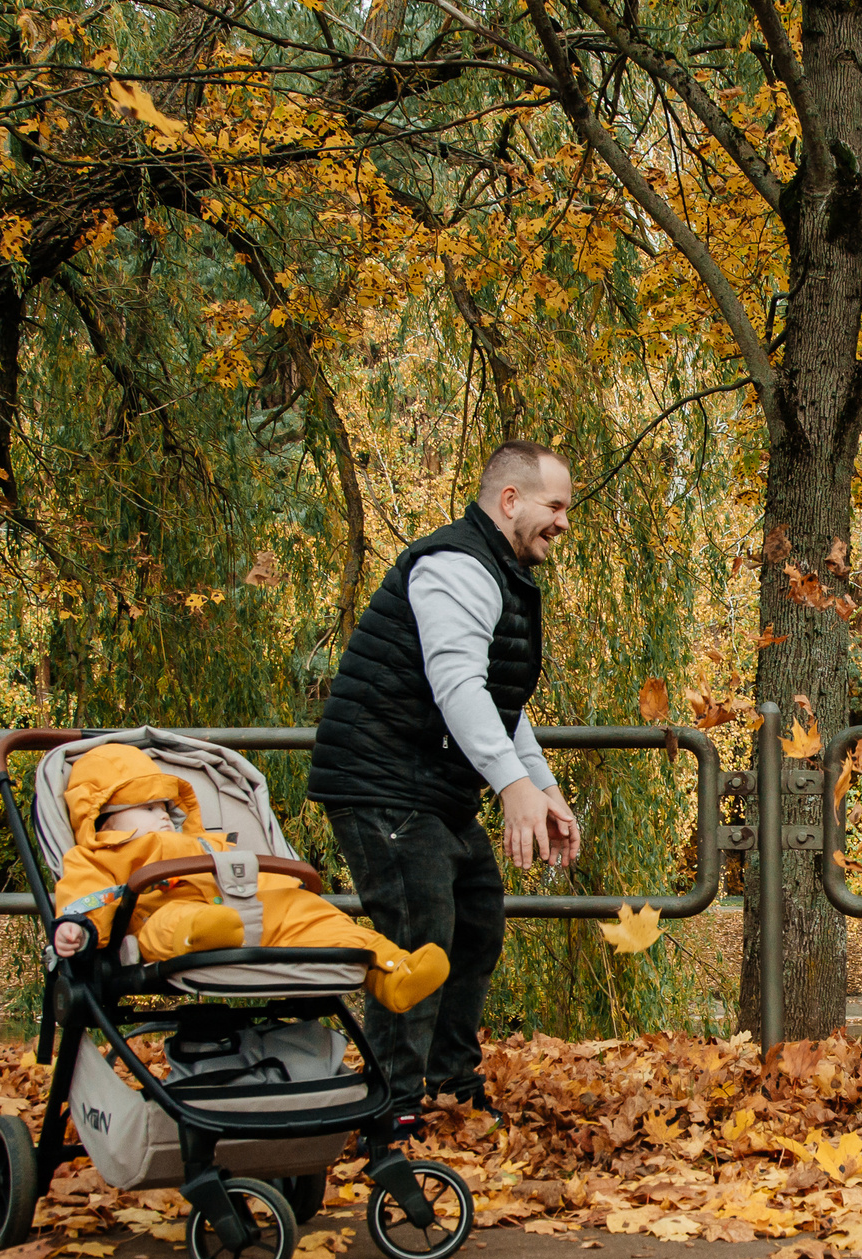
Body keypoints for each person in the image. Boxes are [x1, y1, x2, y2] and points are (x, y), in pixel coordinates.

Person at [307, 440, 583, 1118]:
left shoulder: (497, 569)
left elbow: (496, 701)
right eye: (554, 506)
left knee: (477, 921)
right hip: (383, 781)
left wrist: (542, 788)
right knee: (418, 938)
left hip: (431, 787)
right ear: (510, 500)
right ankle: (392, 1110)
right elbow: (457, 685)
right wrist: (511, 788)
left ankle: (448, 1087)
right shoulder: (456, 566)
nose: (563, 522)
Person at [49, 743, 451, 1010]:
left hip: (242, 908)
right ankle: (206, 933)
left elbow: (253, 874)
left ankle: (392, 970)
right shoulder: (96, 856)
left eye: (166, 807)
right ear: (103, 819)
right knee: (172, 923)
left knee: (310, 912)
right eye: (147, 808)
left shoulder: (204, 842)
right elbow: (83, 895)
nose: (163, 816)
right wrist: (76, 928)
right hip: (160, 915)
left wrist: (288, 891)